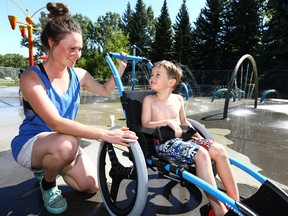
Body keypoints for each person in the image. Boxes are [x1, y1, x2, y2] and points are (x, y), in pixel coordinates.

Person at [11, 2, 138, 215]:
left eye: (79, 49)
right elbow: (55, 123)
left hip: (63, 142)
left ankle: (53, 165)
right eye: (71, 49)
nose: (77, 54)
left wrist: (121, 66)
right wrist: (104, 134)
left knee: (91, 186)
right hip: (32, 143)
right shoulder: (31, 77)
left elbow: (106, 90)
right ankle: (48, 183)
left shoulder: (79, 74)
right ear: (51, 43)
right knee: (67, 143)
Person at [141, 60, 239, 216]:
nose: (152, 78)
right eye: (152, 75)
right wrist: (167, 122)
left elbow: (185, 123)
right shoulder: (150, 100)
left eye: (157, 75)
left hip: (183, 140)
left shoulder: (178, 99)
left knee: (219, 149)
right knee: (202, 154)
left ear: (171, 82)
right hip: (164, 143)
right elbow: (145, 123)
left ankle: (235, 202)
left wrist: (199, 138)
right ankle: (219, 211)